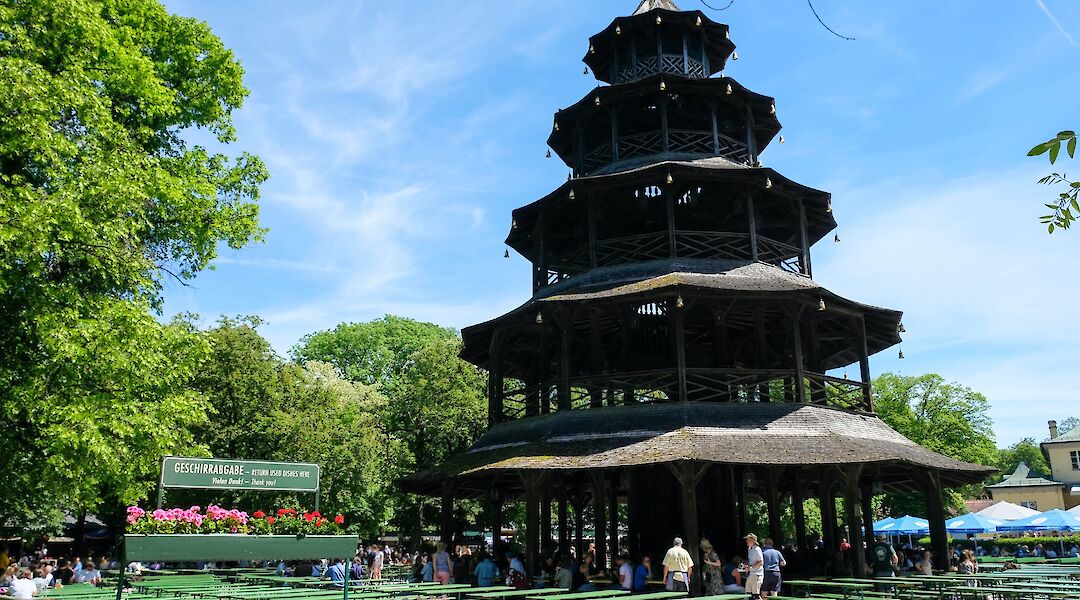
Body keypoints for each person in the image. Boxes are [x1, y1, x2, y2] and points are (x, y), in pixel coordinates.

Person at [743, 534, 764, 598]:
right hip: (751, 574)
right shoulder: (749, 549)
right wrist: (747, 566)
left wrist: (751, 567)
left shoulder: (757, 549)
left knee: (756, 595)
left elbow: (761, 562)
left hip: (757, 574)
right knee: (749, 593)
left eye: (748, 539)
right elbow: (752, 562)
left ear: (753, 540)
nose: (746, 541)